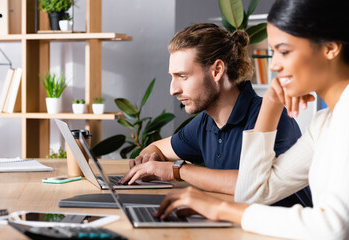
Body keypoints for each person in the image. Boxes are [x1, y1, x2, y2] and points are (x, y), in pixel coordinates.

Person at [154, 0, 349, 238]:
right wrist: (271, 104)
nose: (274, 65)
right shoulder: (324, 123)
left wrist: (219, 208)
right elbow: (252, 193)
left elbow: (333, 228)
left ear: (330, 48)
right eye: (274, 52)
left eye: (284, 51)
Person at [119, 23, 312, 207]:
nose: (173, 89)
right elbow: (157, 148)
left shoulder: (271, 117)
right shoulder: (205, 123)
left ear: (217, 70)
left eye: (183, 76)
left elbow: (252, 186)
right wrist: (145, 161)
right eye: (173, 77)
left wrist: (177, 170)